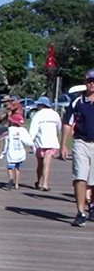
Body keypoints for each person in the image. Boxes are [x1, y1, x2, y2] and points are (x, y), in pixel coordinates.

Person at [61, 70, 94, 226]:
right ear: (85, 82)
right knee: (80, 176)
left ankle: (92, 207)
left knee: (93, 181)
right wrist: (63, 145)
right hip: (81, 142)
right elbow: (67, 123)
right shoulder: (78, 102)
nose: (92, 84)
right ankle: (80, 212)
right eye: (90, 81)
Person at [27, 96, 62, 191]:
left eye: (39, 104)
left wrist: (30, 142)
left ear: (42, 105)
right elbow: (59, 127)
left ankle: (39, 181)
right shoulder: (55, 114)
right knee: (47, 162)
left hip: (40, 143)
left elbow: (33, 129)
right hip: (51, 142)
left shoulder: (38, 115)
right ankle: (45, 183)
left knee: (40, 164)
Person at [1, 112, 33, 190]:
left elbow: (6, 143)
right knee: (17, 168)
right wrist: (33, 146)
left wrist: (3, 153)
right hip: (20, 153)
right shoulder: (22, 130)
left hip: (11, 153)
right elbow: (28, 141)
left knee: (10, 167)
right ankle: (17, 184)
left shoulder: (9, 130)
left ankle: (11, 178)